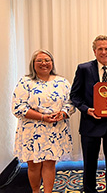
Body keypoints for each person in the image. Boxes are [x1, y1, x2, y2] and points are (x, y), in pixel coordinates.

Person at [12, 49, 75, 193]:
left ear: (52, 63)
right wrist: (41, 117)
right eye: (39, 60)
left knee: (49, 164)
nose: (44, 63)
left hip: (54, 129)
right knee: (34, 165)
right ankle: (35, 191)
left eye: (47, 60)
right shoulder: (25, 82)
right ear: (33, 64)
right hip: (31, 130)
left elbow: (71, 103)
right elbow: (17, 107)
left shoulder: (62, 82)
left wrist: (63, 113)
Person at [70, 35, 107, 193]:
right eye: (100, 49)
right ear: (94, 51)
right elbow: (74, 96)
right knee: (89, 164)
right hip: (90, 124)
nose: (104, 52)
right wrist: (86, 110)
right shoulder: (83, 69)